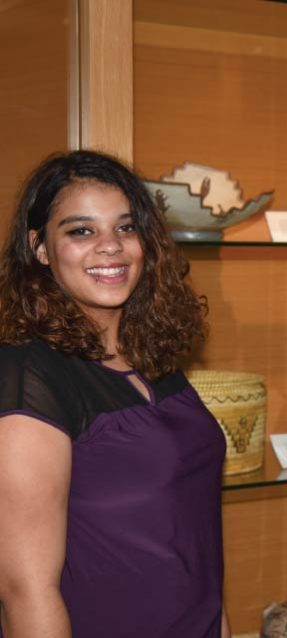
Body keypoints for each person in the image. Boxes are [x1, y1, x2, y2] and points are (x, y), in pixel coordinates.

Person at [0, 150, 231, 637]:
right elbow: (25, 589)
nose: (111, 247)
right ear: (40, 247)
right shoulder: (29, 376)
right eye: (81, 231)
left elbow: (197, 534)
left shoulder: (154, 357)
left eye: (126, 228)